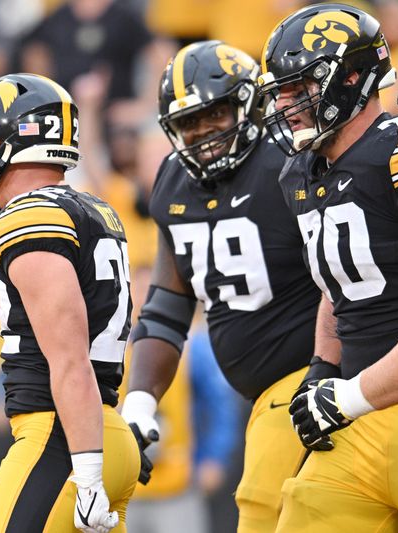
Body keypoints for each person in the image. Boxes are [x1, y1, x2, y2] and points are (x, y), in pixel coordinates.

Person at [120, 40, 322, 533]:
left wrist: (330, 368)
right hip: (261, 397)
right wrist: (140, 402)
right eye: (188, 123)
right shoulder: (172, 181)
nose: (202, 133)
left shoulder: (293, 164)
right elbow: (167, 306)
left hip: (320, 379)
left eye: (215, 115)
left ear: (249, 104)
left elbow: (340, 279)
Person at [256, 4, 398, 531]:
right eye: (282, 93)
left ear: (352, 78)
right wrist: (323, 367)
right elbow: (337, 283)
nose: (287, 105)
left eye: (300, 89)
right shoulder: (301, 172)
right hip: (358, 404)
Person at [0, 73, 140, 533]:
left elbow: (70, 358)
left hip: (62, 439)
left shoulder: (31, 214)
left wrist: (89, 472)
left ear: (5, 144)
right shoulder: (94, 208)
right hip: (99, 428)